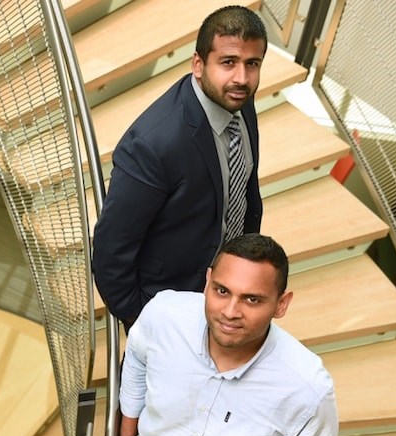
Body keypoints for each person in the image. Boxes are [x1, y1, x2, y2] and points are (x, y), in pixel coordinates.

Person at [118, 234, 338, 436]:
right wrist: (127, 431)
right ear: (208, 280)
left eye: (252, 299)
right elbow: (137, 358)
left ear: (281, 304)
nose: (230, 312)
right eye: (222, 291)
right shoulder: (164, 315)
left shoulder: (306, 385)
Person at [92, 5, 267, 329]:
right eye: (228, 62)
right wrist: (144, 319)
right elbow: (110, 251)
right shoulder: (153, 144)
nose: (241, 78)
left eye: (252, 64)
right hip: (170, 301)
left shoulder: (240, 99)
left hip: (225, 284)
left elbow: (243, 187)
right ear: (198, 65)